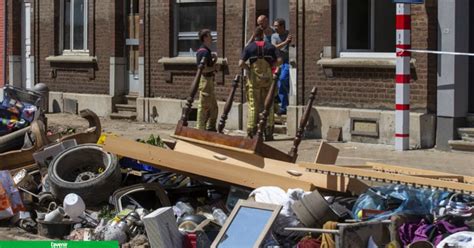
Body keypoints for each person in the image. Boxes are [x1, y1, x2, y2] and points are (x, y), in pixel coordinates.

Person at [239, 27, 282, 140]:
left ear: (254, 35)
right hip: (268, 80)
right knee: (269, 105)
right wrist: (272, 66)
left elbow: (240, 63)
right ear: (263, 35)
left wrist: (248, 68)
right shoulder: (270, 47)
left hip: (254, 81)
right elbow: (280, 60)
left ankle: (252, 132)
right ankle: (268, 132)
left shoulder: (249, 47)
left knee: (253, 106)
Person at [195, 29, 218, 131]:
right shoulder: (203, 52)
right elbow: (203, 68)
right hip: (205, 81)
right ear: (205, 38)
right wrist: (215, 68)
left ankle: (211, 127)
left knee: (214, 107)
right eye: (209, 35)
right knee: (204, 106)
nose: (212, 37)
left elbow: (208, 65)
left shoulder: (206, 51)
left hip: (209, 81)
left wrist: (214, 60)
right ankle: (200, 129)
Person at [271, 18, 292, 115]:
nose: (275, 28)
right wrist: (285, 42)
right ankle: (283, 106)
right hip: (278, 63)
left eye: (277, 26)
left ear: (282, 26)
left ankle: (284, 105)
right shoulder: (274, 36)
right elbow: (274, 47)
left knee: (283, 79)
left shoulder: (289, 34)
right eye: (274, 26)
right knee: (279, 83)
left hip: (287, 62)